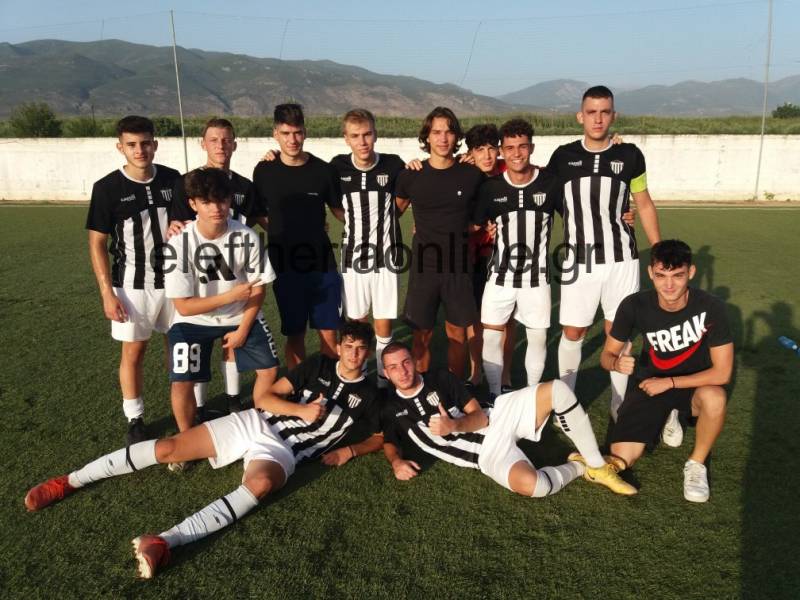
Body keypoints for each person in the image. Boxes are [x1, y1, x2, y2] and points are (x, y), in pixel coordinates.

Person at [23, 322, 383, 578]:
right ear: (339, 346)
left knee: (260, 486)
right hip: (254, 422)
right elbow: (264, 397)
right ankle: (69, 481)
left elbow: (383, 436)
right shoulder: (318, 365)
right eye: (348, 346)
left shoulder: (370, 395)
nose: (354, 353)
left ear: (368, 352)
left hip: (285, 452)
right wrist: (300, 410)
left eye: (361, 348)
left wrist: (350, 452)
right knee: (169, 448)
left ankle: (164, 542)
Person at [379, 341, 636, 496]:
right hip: (485, 454)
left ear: (415, 361)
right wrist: (396, 462)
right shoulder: (391, 407)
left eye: (406, 362)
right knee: (535, 486)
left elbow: (479, 417)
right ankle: (581, 467)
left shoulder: (440, 378)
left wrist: (453, 425)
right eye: (393, 367)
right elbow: (388, 440)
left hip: (497, 416)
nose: (402, 371)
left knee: (558, 390)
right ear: (386, 374)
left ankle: (598, 465)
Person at [546, 86, 661, 421]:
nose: (598, 119)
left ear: (614, 115)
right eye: (591, 112)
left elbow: (643, 202)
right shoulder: (563, 157)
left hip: (621, 261)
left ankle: (619, 403)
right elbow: (535, 186)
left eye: (605, 112)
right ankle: (566, 402)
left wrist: (658, 251)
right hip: (579, 261)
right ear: (580, 116)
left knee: (617, 333)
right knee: (573, 332)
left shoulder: (630, 155)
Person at [597, 240, 733, 502]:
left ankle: (696, 464)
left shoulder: (711, 307)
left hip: (694, 387)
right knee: (620, 458)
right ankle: (669, 413)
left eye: (677, 276)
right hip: (650, 385)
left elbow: (723, 373)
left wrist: (669, 382)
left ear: (690, 272)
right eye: (661, 275)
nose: (669, 285)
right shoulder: (634, 305)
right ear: (651, 273)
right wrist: (615, 363)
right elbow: (607, 355)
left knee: (716, 397)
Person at [163, 168, 279, 441]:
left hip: (239, 315)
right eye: (206, 202)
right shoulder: (179, 242)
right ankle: (186, 440)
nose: (216, 209)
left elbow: (258, 289)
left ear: (229, 200)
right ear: (193, 204)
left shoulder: (246, 236)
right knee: (181, 382)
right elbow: (184, 307)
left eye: (222, 200)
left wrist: (242, 330)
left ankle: (258, 427)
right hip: (193, 321)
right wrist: (230, 296)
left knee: (269, 370)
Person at [86, 115, 181, 444]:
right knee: (134, 351)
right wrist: (106, 293)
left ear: (155, 144)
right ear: (120, 148)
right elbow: (97, 243)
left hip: (175, 281)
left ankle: (186, 408)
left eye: (145, 143)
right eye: (132, 145)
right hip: (132, 284)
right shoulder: (107, 188)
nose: (140, 150)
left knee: (179, 347)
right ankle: (135, 418)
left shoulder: (173, 179)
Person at [169, 117, 267, 416]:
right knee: (195, 352)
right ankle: (199, 406)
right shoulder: (185, 183)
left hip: (234, 271)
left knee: (233, 343)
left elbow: (259, 220)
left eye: (226, 140)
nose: (221, 146)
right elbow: (175, 224)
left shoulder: (245, 187)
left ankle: (232, 399)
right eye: (214, 140)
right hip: (199, 278)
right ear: (203, 144)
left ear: (235, 144)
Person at [474, 119, 562, 400]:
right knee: (490, 336)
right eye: (510, 147)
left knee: (537, 338)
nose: (516, 153)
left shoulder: (551, 183)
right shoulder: (491, 188)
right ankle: (494, 395)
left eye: (522, 146)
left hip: (536, 279)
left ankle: (531, 396)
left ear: (531, 147)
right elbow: (474, 224)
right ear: (502, 150)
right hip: (499, 277)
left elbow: (577, 213)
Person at [252, 104, 344, 369]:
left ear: (305, 132)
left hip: (322, 264)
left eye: (297, 132)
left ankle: (328, 385)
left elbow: (340, 212)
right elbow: (258, 212)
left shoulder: (323, 171)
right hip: (285, 265)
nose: (292, 139)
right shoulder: (264, 170)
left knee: (329, 333)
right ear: (275, 134)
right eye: (286, 133)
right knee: (295, 334)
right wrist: (280, 230)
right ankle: (300, 386)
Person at [395, 107, 484, 379]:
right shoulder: (412, 174)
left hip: (458, 268)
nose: (443, 138)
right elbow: (392, 212)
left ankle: (455, 389)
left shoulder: (471, 175)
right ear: (427, 136)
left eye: (449, 132)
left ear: (456, 136)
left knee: (457, 334)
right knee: (421, 334)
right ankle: (419, 391)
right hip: (424, 269)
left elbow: (478, 220)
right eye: (436, 132)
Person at [329, 109, 406, 387]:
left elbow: (403, 200)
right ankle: (358, 383)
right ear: (346, 138)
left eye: (367, 134)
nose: (362, 142)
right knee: (357, 325)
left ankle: (384, 386)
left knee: (383, 327)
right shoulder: (337, 167)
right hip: (353, 259)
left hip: (386, 258)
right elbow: (336, 208)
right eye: (355, 136)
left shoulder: (393, 165)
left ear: (375, 134)